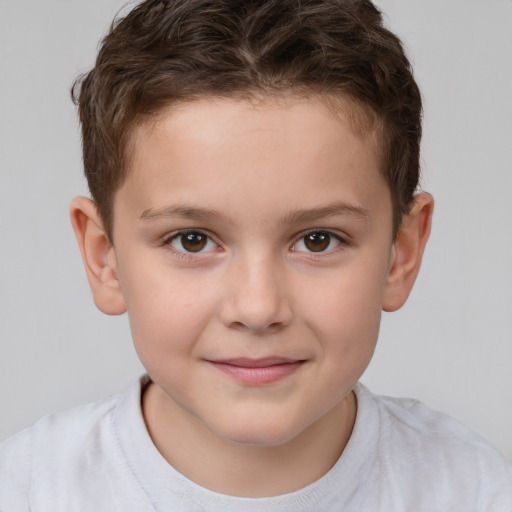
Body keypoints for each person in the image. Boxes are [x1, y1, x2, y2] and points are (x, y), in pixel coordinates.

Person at [0, 0, 511, 510]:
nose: (258, 308)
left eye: (318, 239)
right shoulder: (25, 491)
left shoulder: (475, 492)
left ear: (400, 255)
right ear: (103, 257)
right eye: (192, 240)